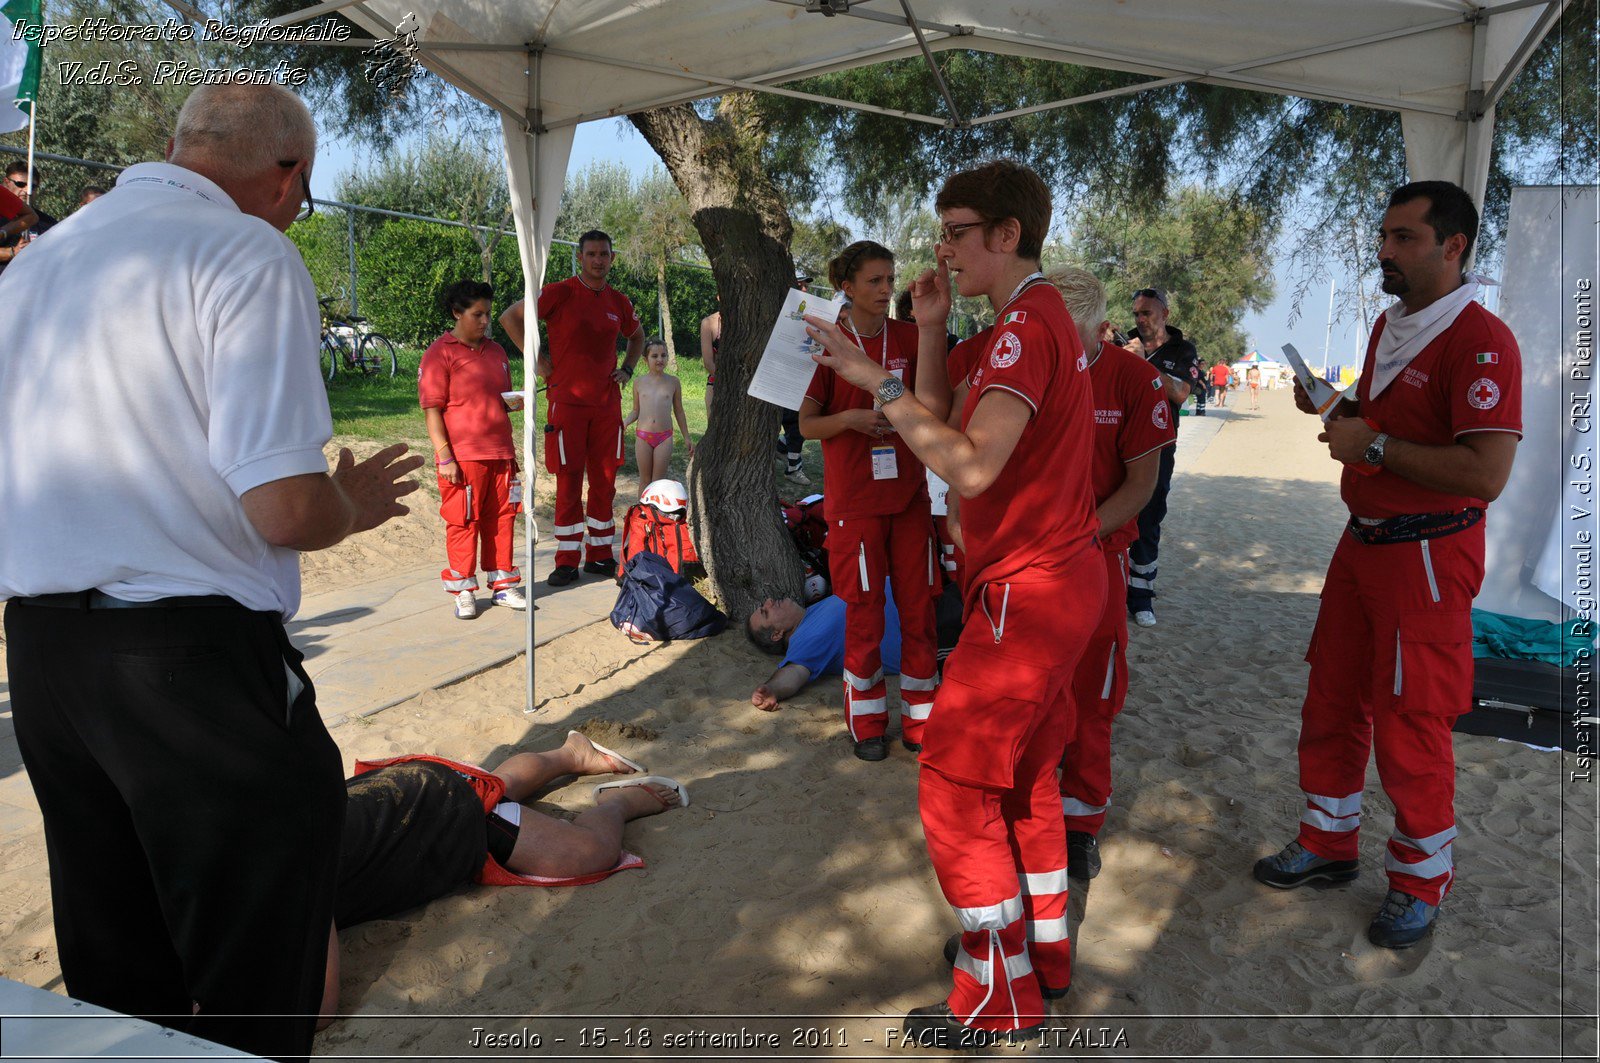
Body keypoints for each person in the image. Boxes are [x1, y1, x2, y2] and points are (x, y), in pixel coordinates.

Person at [0, 84, 424, 1060]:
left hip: (48, 656)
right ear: (287, 179)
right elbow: (281, 504)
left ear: (172, 146)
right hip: (187, 664)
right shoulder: (245, 251)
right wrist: (349, 500)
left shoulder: (34, 267)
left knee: (117, 969)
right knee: (252, 988)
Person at [805, 160, 1104, 1046]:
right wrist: (927, 333)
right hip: (1049, 584)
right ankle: (1042, 954)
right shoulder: (1019, 321)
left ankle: (998, 992)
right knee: (1024, 780)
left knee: (950, 787)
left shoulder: (1025, 326)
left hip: (1030, 593)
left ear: (1007, 234)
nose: (942, 249)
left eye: (957, 231)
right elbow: (942, 417)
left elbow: (966, 463)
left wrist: (874, 377)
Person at [1253, 181, 1522, 950]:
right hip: (1363, 542)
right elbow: (1382, 420)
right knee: (1333, 695)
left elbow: (1485, 475)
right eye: (1384, 236)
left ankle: (1418, 880)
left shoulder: (1482, 342)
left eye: (1404, 238)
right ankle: (1329, 841)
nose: (1385, 252)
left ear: (1454, 245)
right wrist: (1337, 408)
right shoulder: (1390, 324)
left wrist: (1368, 444)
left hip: (1429, 552)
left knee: (1412, 720)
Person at [320, 731, 686, 1025]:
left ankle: (617, 804)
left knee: (588, 853)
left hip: (440, 814)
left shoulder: (289, 878)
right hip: (403, 794)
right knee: (495, 790)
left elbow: (318, 1009)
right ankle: (572, 754)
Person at [1047, 269, 1175, 882]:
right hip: (1032, 562)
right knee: (1037, 690)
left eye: (1069, 337)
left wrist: (1080, 535)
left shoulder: (1136, 380)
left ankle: (1080, 825)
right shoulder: (1026, 361)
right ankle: (1034, 809)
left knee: (1093, 696)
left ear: (1101, 329)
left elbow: (1142, 486)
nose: (1058, 350)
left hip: (1094, 558)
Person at [799, 241, 940, 762]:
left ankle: (921, 723)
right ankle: (867, 724)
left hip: (909, 498)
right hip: (854, 502)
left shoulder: (910, 336)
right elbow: (806, 424)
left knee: (919, 609)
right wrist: (852, 421)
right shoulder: (827, 343)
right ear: (847, 287)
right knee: (864, 615)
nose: (885, 291)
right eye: (875, 282)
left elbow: (934, 401)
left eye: (889, 280)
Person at [500, 229, 645, 586]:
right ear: (579, 258)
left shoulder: (619, 301)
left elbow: (637, 336)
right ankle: (566, 560)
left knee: (605, 481)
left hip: (607, 406)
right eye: (591, 254)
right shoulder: (561, 292)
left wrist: (627, 368)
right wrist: (537, 360)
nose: (598, 260)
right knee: (567, 483)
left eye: (604, 254)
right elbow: (510, 318)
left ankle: (599, 555)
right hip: (566, 404)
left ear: (612, 258)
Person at [420, 280, 527, 620]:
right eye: (477, 314)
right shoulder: (441, 353)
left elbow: (499, 401)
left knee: (502, 520)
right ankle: (464, 590)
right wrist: (445, 456)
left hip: (500, 453)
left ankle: (502, 586)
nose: (484, 321)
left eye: (488, 315)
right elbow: (432, 410)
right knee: (463, 522)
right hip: (464, 458)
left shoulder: (496, 352)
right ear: (456, 313)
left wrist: (517, 403)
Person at [1125, 286, 1202, 628]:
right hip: (1118, 442)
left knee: (1149, 518)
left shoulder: (1182, 350)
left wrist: (1141, 365)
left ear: (1165, 314)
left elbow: (1181, 393)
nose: (1141, 320)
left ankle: (1142, 597)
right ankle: (1111, 586)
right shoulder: (1122, 342)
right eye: (1137, 314)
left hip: (1158, 447)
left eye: (1148, 313)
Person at [746, 588, 905, 710]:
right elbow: (795, 671)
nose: (769, 601)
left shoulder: (812, 611)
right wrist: (773, 689)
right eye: (765, 612)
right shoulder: (804, 641)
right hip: (920, 626)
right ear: (777, 634)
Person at [624, 337, 694, 490]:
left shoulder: (673, 382)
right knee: (645, 480)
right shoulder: (638, 382)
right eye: (654, 356)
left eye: (663, 355)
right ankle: (642, 512)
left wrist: (687, 437)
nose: (660, 359)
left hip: (664, 437)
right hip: (643, 437)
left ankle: (656, 513)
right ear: (645, 359)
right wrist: (625, 422)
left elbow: (679, 411)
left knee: (658, 481)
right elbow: (636, 410)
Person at [0, 162, 54, 274]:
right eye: (20, 184)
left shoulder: (48, 223)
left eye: (32, 186)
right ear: (6, 183)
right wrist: (13, 252)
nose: (26, 190)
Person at [699, 301, 720, 412]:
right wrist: (727, 383)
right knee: (715, 426)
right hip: (716, 381)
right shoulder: (708, 323)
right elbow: (708, 362)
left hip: (747, 382)